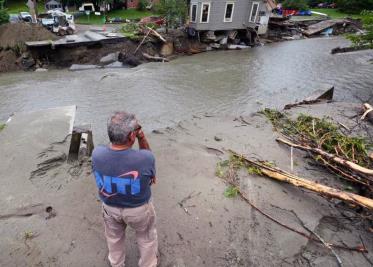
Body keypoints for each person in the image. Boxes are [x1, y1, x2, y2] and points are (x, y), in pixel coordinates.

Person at [92, 111, 158, 267]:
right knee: (146, 237)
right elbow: (151, 177)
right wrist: (141, 136)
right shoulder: (145, 159)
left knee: (114, 238)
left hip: (110, 207)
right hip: (139, 210)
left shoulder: (97, 154)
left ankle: (116, 263)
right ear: (131, 136)